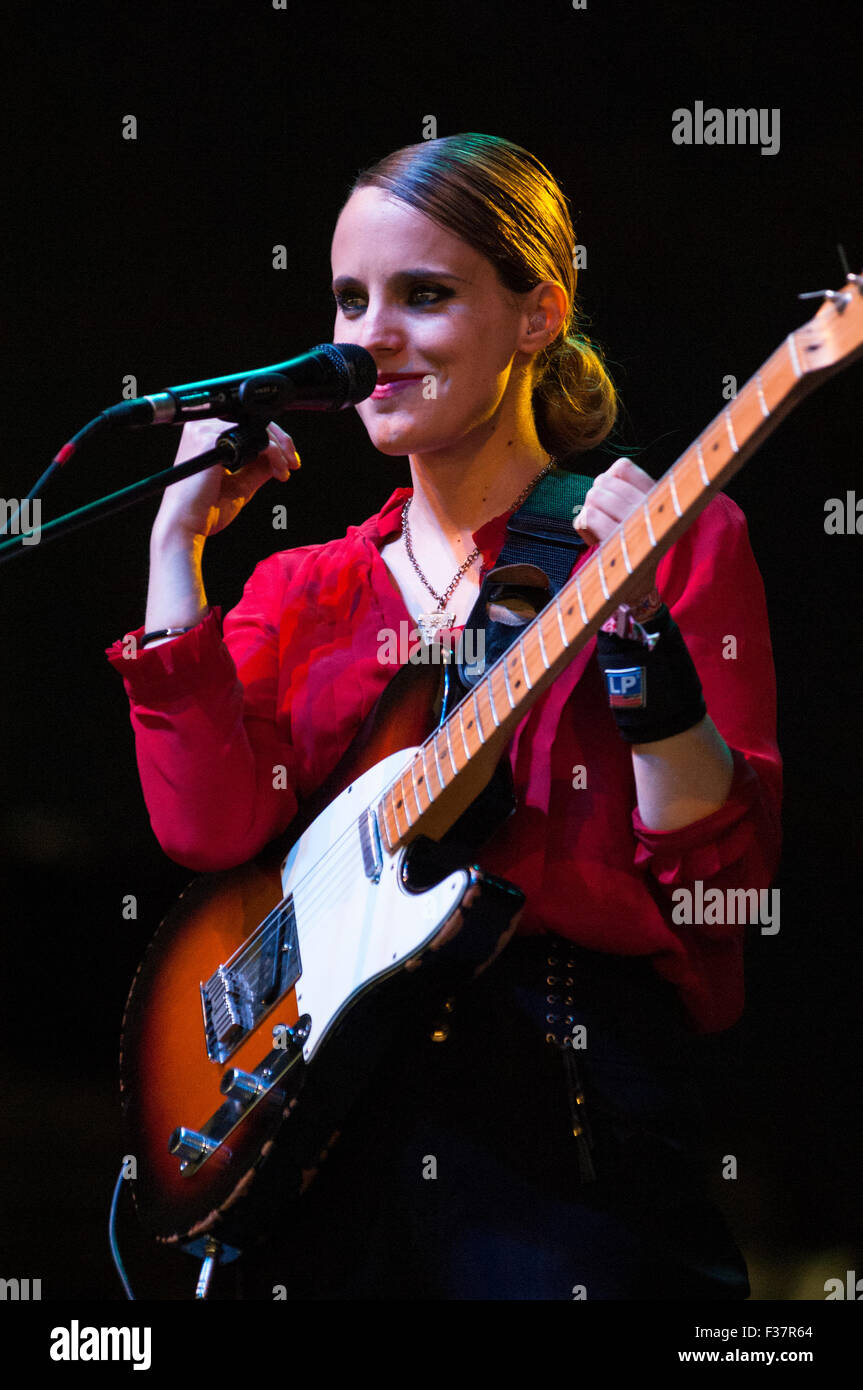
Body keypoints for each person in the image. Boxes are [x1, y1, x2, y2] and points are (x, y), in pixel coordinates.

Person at [106, 132, 782, 1300]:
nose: (370, 336)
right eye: (350, 299)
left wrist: (636, 642)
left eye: (423, 296)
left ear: (536, 315)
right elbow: (206, 835)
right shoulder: (303, 588)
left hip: (558, 1121)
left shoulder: (660, 534)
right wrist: (176, 549)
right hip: (322, 1132)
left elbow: (713, 874)